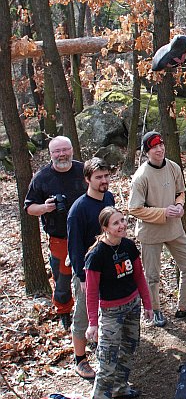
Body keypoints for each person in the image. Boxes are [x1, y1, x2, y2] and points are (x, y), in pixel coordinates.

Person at [128, 131, 186, 327]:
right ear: (147, 152)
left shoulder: (173, 167)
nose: (159, 149)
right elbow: (134, 208)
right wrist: (163, 212)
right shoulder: (141, 177)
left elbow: (180, 192)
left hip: (174, 229)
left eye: (161, 145)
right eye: (154, 147)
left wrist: (180, 205)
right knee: (152, 276)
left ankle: (184, 306)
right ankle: (155, 310)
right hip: (151, 233)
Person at [85, 207, 153, 399]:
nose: (122, 225)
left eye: (122, 221)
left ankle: (120, 387)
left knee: (129, 347)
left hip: (132, 304)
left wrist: (148, 305)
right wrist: (93, 323)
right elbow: (92, 292)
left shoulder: (129, 246)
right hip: (111, 311)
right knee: (107, 358)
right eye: (116, 223)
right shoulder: (96, 255)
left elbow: (140, 276)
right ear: (105, 228)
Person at [24, 136, 86, 329]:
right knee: (62, 278)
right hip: (60, 238)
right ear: (51, 154)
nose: (62, 155)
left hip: (88, 235)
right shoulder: (42, 177)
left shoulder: (84, 170)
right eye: (57, 152)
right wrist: (44, 208)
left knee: (92, 273)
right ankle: (64, 312)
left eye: (65, 150)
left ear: (72, 150)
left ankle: (94, 309)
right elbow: (28, 208)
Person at [66, 157, 115, 381]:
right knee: (83, 315)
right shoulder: (79, 209)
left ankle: (101, 345)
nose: (104, 181)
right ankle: (80, 359)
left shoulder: (109, 198)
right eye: (98, 177)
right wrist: (81, 276)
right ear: (88, 179)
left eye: (106, 176)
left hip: (108, 267)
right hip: (87, 271)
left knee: (106, 310)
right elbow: (74, 246)